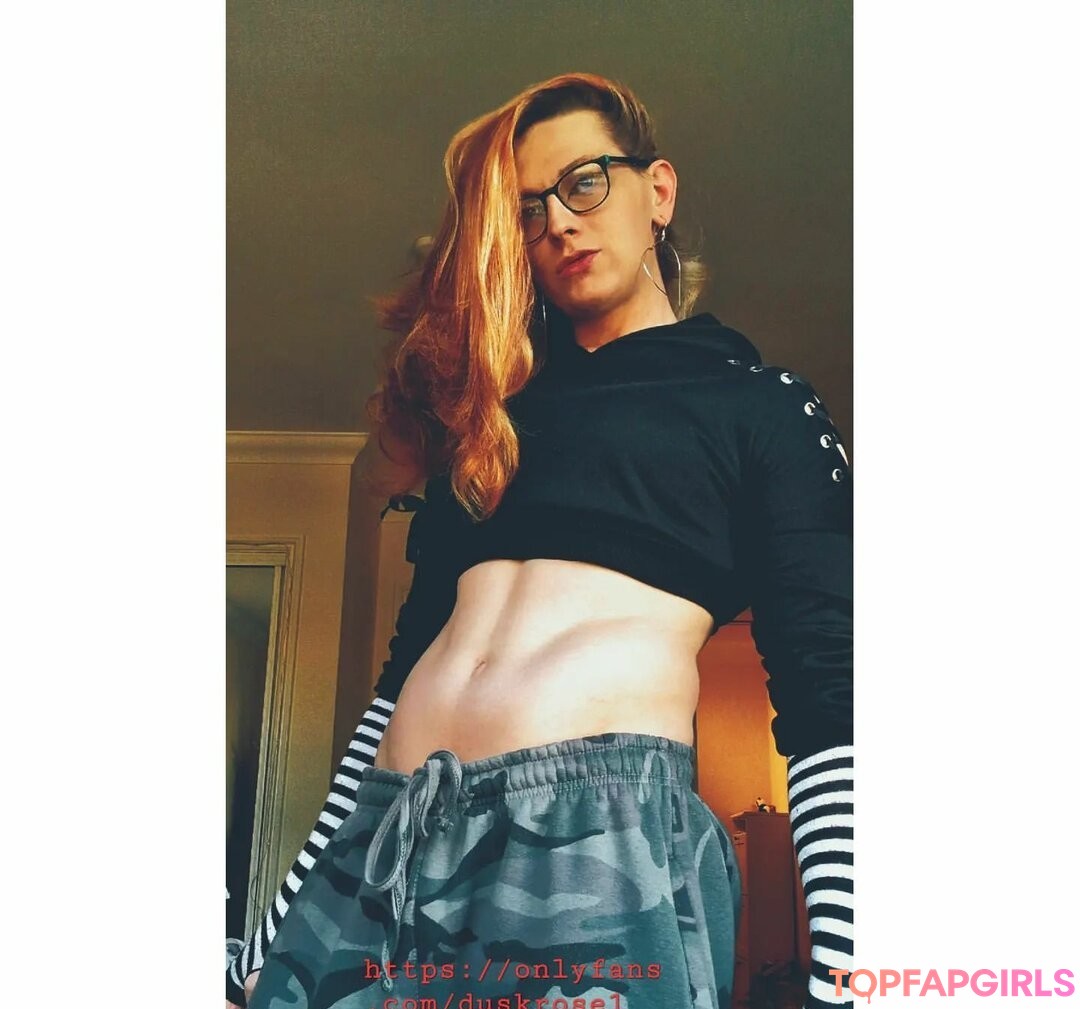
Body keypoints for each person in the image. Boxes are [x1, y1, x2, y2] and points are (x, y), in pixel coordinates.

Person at [226, 72, 853, 1009]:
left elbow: (830, 697)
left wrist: (850, 973)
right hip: (389, 836)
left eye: (584, 182)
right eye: (526, 209)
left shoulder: (758, 404)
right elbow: (399, 680)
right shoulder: (488, 426)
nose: (557, 220)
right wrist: (281, 930)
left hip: (589, 846)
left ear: (658, 191)